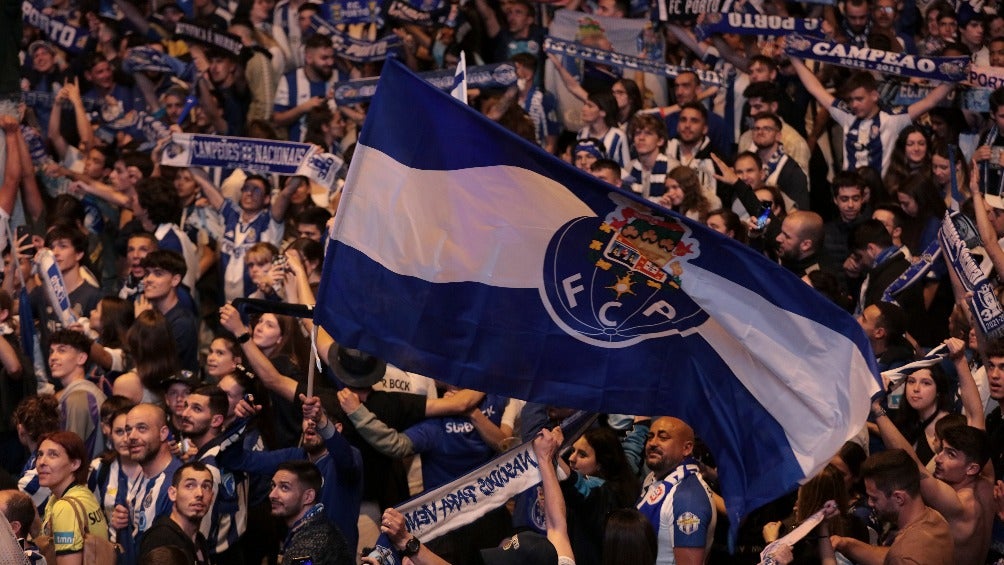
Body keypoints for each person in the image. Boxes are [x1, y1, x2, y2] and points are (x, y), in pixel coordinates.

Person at [788, 63, 953, 175]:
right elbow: (815, 88)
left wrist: (954, 77)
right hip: (849, 191)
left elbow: (930, 101)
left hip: (877, 195)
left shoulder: (892, 119)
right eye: (851, 100)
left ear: (874, 96)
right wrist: (795, 59)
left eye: (859, 99)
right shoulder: (847, 115)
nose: (854, 104)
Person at [636, 416, 715, 564]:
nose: (652, 443)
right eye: (650, 437)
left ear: (687, 448)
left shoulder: (687, 499)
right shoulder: (653, 479)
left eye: (663, 437)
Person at [113, 403, 183, 564]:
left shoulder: (175, 483)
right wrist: (123, 524)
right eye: (128, 429)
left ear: (163, 433)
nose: (131, 436)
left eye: (142, 428)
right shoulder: (143, 475)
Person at [38, 431, 110, 564]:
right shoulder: (82, 493)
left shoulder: (65, 507)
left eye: (53, 455)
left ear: (75, 464)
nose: (42, 462)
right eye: (40, 454)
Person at [269, 460, 354, 565]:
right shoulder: (316, 524)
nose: (272, 495)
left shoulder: (309, 544)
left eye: (284, 487)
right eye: (273, 485)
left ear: (308, 497)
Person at [138, 461, 214, 565]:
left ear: (212, 497)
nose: (199, 494)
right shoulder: (161, 539)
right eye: (190, 485)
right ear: (173, 493)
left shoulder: (199, 539)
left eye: (206, 486)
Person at [49, 329, 106, 460]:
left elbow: (71, 454)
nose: (53, 357)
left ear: (81, 358)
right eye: (51, 351)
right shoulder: (80, 393)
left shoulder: (79, 397)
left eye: (61, 350)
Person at [775, 211, 824, 277]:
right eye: (781, 232)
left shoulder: (814, 281)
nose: (778, 238)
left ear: (806, 245)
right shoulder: (790, 254)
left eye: (787, 236)